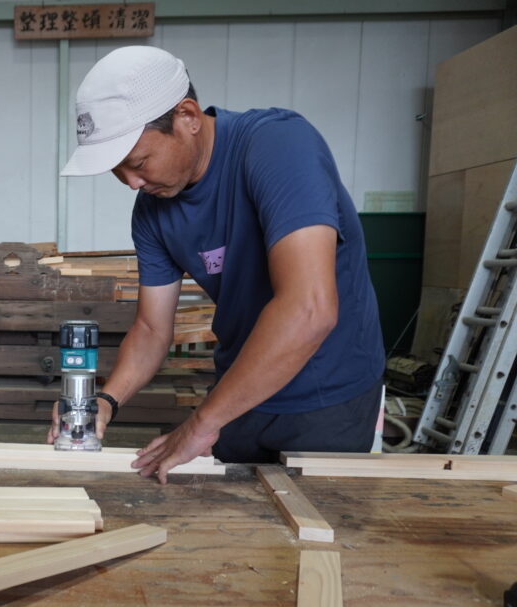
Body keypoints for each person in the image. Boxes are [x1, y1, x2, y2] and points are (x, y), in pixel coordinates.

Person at [47, 46, 385, 483]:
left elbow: (309, 309)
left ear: (187, 117)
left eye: (138, 162)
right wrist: (104, 402)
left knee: (314, 534)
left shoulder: (279, 146)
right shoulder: (153, 209)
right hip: (240, 394)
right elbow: (152, 330)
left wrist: (201, 423)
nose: (132, 183)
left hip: (327, 398)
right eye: (118, 171)